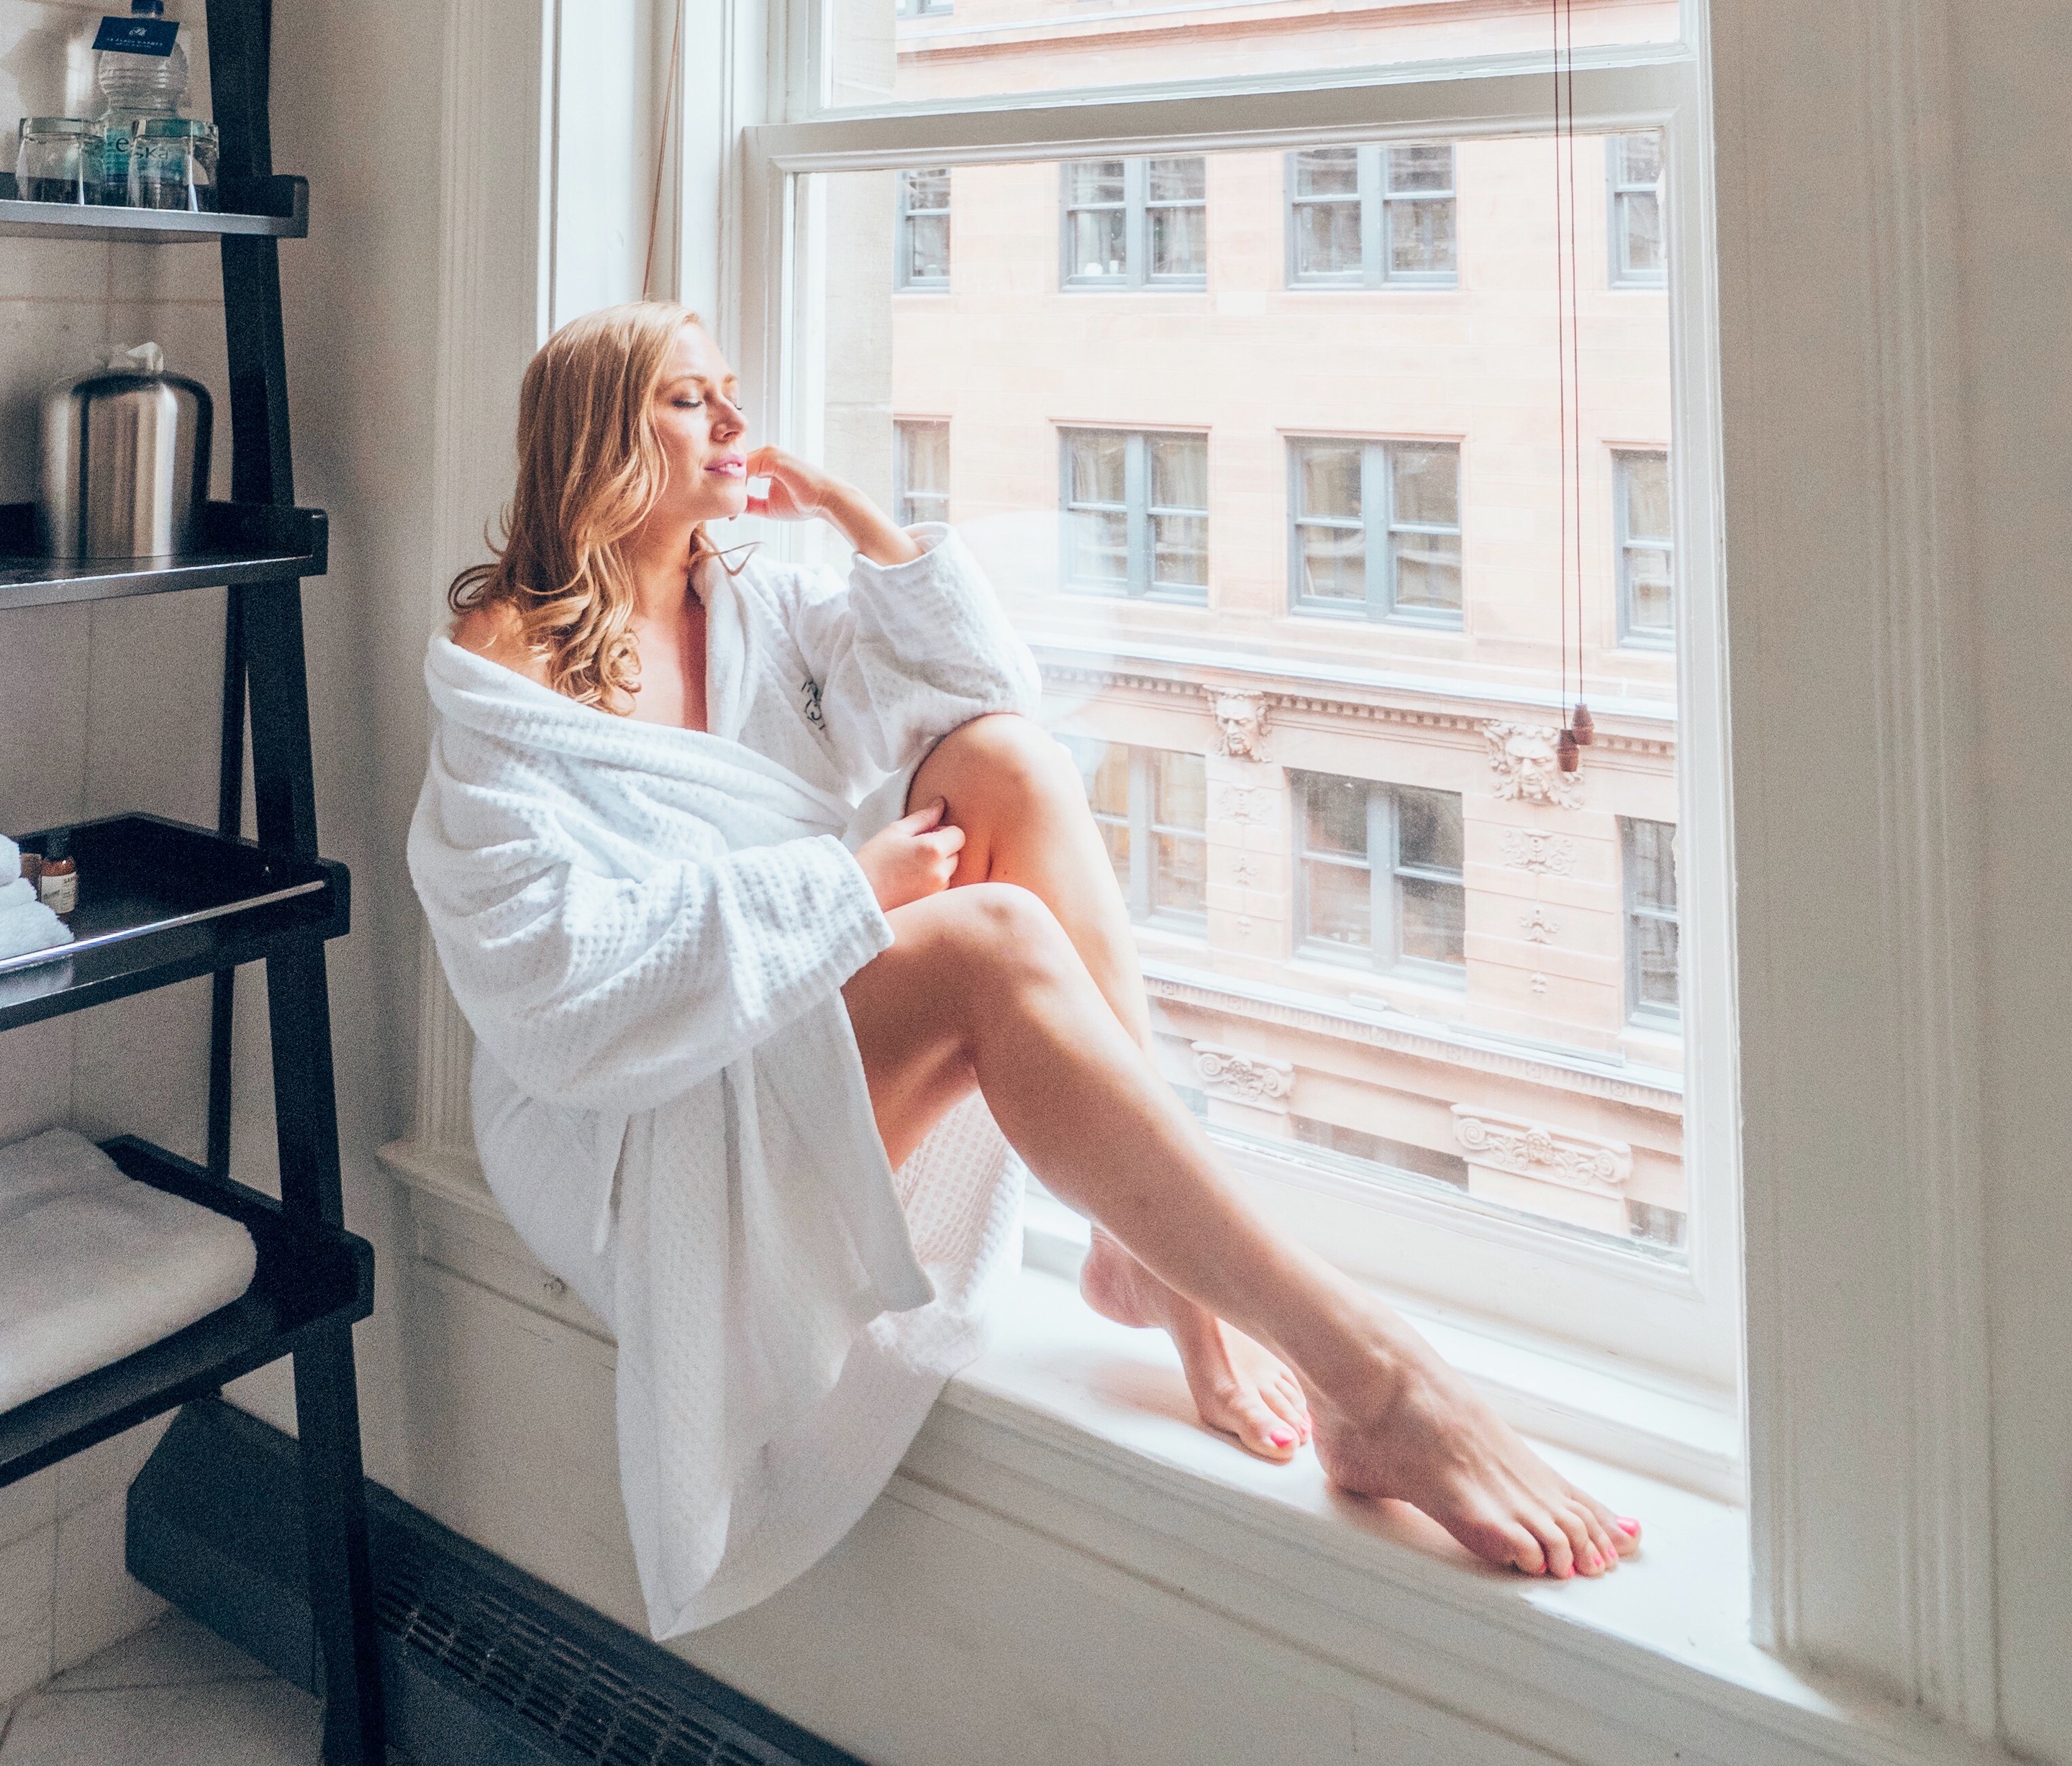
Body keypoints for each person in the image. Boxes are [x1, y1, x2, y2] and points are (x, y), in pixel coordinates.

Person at [410, 301, 1639, 1639]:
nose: (736, 425)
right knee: (991, 945)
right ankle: (1375, 1382)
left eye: (731, 395)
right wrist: (844, 889)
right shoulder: (507, 663)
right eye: (691, 400)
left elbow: (986, 687)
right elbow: (552, 984)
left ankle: (1141, 1247)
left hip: (764, 1012)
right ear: (599, 431)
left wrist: (866, 528)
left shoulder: (752, 596)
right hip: (623, 1117)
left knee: (1008, 759)